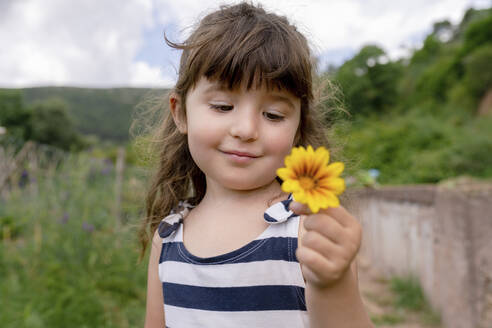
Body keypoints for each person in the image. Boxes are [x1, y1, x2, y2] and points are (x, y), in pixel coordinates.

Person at [140, 2, 373, 327]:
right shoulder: (167, 239)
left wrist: (334, 284)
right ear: (180, 113)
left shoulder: (306, 230)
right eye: (222, 106)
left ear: (298, 128)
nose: (246, 130)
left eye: (274, 115)